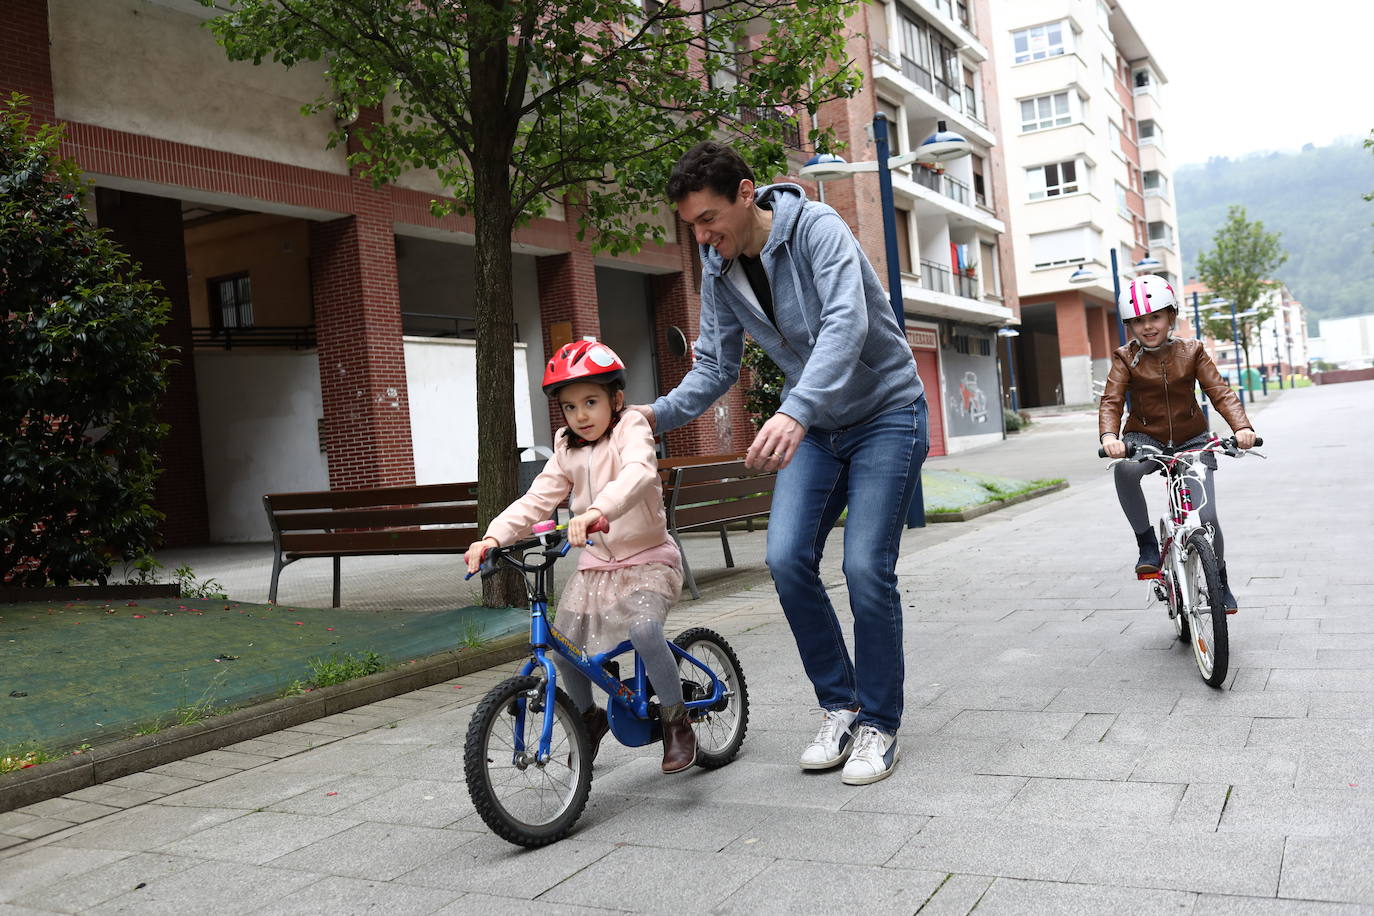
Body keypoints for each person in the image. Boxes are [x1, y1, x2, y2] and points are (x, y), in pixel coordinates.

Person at [630, 140, 928, 786]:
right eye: (692, 228)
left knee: (864, 568)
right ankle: (841, 706)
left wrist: (793, 411)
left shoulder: (818, 229)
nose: (703, 237)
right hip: (819, 426)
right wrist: (651, 416)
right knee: (786, 558)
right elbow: (715, 366)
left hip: (886, 414)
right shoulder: (720, 270)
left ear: (745, 194)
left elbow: (847, 327)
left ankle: (879, 722)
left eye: (708, 220)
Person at [463, 338, 696, 774]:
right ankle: (588, 717)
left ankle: (676, 720)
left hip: (648, 557)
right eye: (570, 407)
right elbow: (537, 500)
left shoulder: (632, 428)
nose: (581, 415)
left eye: (591, 401)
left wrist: (595, 511)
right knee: (567, 644)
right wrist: (492, 537)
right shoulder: (566, 446)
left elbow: (639, 474)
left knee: (645, 631)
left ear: (617, 398)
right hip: (596, 568)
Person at [1098, 274, 1256, 610]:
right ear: (1130, 326)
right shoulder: (1125, 358)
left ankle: (1220, 582)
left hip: (1192, 438)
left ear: (1171, 316)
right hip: (1144, 436)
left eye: (1155, 317)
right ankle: (1146, 545)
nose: (1148, 326)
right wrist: (1110, 436)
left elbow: (1220, 393)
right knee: (1125, 470)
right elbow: (1112, 399)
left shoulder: (1193, 351)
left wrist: (1242, 429)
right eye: (1138, 321)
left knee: (1208, 516)